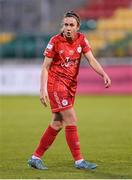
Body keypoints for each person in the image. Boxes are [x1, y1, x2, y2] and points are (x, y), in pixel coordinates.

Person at [28, 11, 111, 170]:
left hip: (70, 87)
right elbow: (45, 67)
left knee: (57, 123)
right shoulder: (55, 41)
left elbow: (91, 59)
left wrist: (103, 74)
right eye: (65, 24)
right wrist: (42, 89)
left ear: (77, 27)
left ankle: (35, 157)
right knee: (71, 119)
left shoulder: (81, 40)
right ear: (62, 26)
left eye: (71, 25)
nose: (67, 28)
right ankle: (79, 161)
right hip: (57, 85)